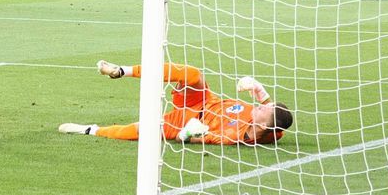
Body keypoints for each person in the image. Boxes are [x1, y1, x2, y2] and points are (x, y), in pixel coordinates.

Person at [59, 60, 293, 145]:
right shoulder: (274, 132)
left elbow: (208, 138)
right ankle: (122, 71)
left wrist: (187, 135)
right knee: (193, 74)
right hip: (203, 99)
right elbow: (274, 118)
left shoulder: (235, 137)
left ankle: (91, 130)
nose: (261, 106)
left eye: (265, 109)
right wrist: (259, 90)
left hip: (187, 121)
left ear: (265, 125)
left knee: (143, 131)